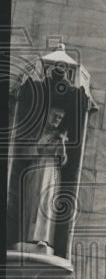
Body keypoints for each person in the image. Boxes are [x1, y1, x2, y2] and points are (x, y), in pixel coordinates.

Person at [17, 105, 69, 250]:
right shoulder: (36, 133)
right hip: (35, 169)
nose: (57, 120)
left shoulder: (59, 137)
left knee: (46, 203)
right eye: (55, 116)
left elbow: (63, 160)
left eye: (60, 118)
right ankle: (26, 237)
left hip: (51, 172)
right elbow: (24, 153)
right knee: (32, 200)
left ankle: (43, 238)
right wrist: (40, 145)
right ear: (47, 115)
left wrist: (62, 143)